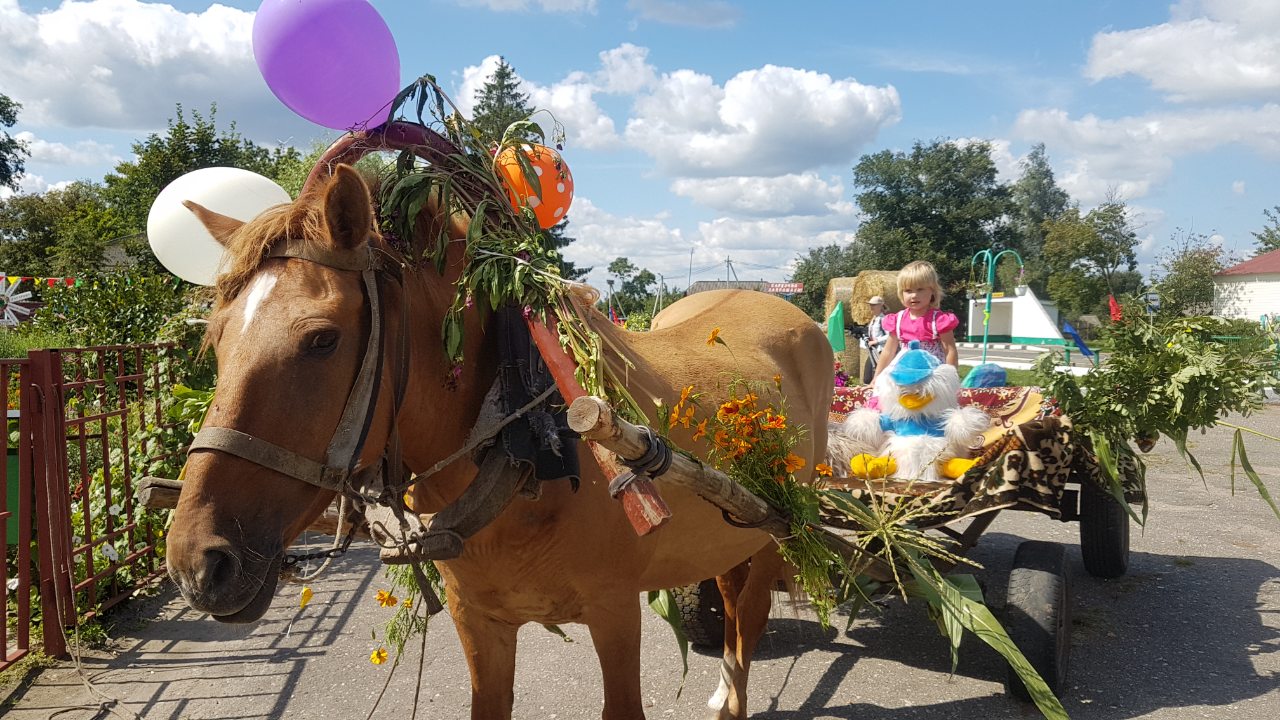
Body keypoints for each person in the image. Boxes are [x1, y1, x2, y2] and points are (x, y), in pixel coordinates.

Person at [871, 260, 959, 382]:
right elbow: (888, 351)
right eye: (908, 290)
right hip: (905, 368)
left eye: (920, 289)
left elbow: (950, 350)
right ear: (901, 293)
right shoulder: (898, 320)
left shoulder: (938, 320)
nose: (914, 295)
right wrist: (876, 378)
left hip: (932, 371)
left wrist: (951, 379)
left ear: (932, 291)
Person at [861, 295, 889, 383]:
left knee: (877, 377)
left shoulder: (884, 319)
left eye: (874, 305)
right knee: (867, 377)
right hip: (873, 352)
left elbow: (890, 336)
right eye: (870, 305)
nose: (871, 307)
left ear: (880, 306)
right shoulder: (874, 319)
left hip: (881, 352)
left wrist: (876, 341)